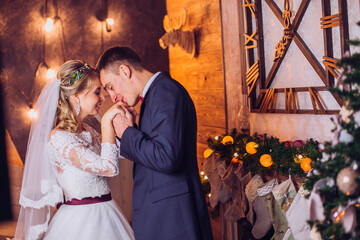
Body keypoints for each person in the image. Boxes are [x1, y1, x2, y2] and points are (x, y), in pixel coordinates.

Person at [96, 46, 214, 240]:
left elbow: (166, 158)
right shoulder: (154, 95)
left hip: (173, 220)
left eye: (110, 87)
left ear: (125, 71)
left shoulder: (164, 90)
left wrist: (126, 132)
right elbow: (156, 153)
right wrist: (131, 130)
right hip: (164, 216)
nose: (113, 97)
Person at [14, 61, 135, 240]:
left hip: (107, 212)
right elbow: (109, 167)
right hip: (81, 222)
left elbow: (119, 152)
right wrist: (107, 120)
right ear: (76, 96)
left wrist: (128, 127)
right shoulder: (59, 138)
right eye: (97, 92)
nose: (102, 98)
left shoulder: (86, 130)